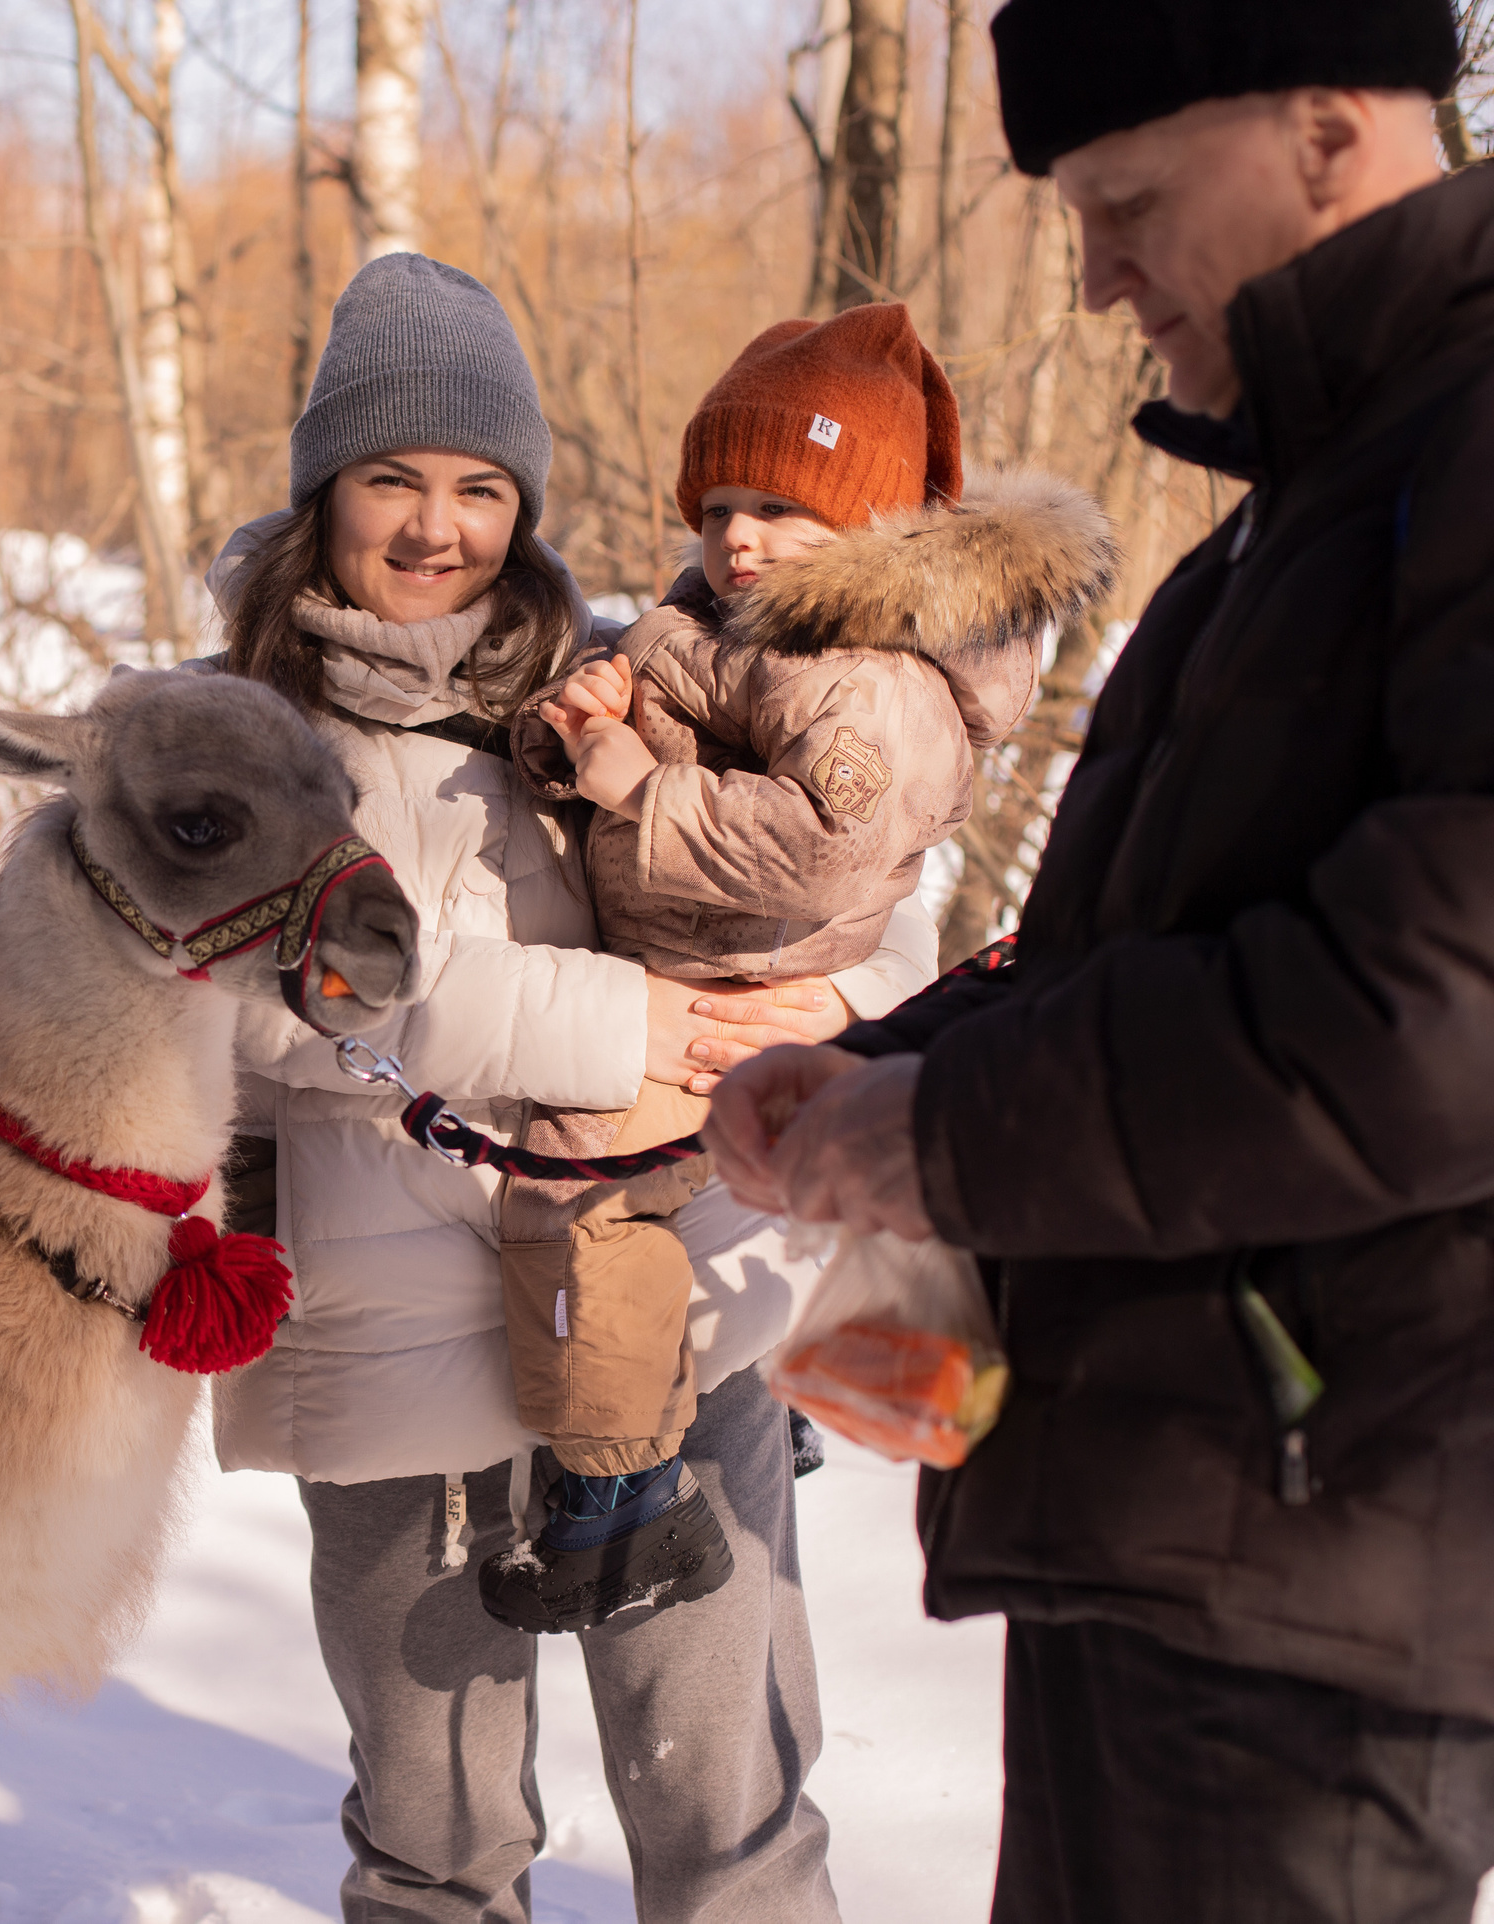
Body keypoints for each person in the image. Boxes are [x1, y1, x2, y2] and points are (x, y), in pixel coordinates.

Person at [704, 4, 1494, 1919]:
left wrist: (943, 1132)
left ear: (1327, 126)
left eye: (1129, 197)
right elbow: (1151, 945)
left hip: (1323, 1570)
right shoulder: (1295, 514)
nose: (1094, 268)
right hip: (1175, 1531)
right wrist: (881, 1058)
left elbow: (1436, 1007)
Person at [208, 250, 942, 1923]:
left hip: (675, 1313)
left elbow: (848, 892)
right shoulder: (244, 739)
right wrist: (627, 1026)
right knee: (435, 1837)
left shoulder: (636, 685)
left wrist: (826, 1013)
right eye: (391, 478)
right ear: (324, 492)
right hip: (401, 1364)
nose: (434, 525)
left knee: (735, 1813)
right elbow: (269, 1001)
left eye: (479, 485)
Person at [489, 302, 1113, 1635]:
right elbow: (631, 709)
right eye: (719, 504)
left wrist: (633, 790)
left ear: (878, 534)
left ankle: (625, 1493)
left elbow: (825, 851)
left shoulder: (866, 674)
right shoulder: (717, 617)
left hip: (737, 990)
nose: (739, 537)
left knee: (580, 1195)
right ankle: (688, 1436)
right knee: (609, 1205)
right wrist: (575, 728)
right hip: (683, 968)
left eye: (783, 507)